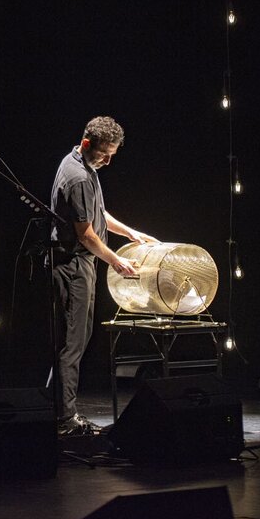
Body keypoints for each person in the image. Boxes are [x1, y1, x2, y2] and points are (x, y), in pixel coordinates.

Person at [50, 116, 158, 435]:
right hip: (73, 265)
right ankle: (65, 420)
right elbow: (86, 234)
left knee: (72, 344)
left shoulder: (83, 165)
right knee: (73, 343)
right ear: (87, 144)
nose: (108, 161)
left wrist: (131, 233)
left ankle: (57, 411)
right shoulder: (78, 176)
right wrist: (117, 263)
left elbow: (97, 213)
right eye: (104, 154)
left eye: (112, 154)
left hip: (80, 262)